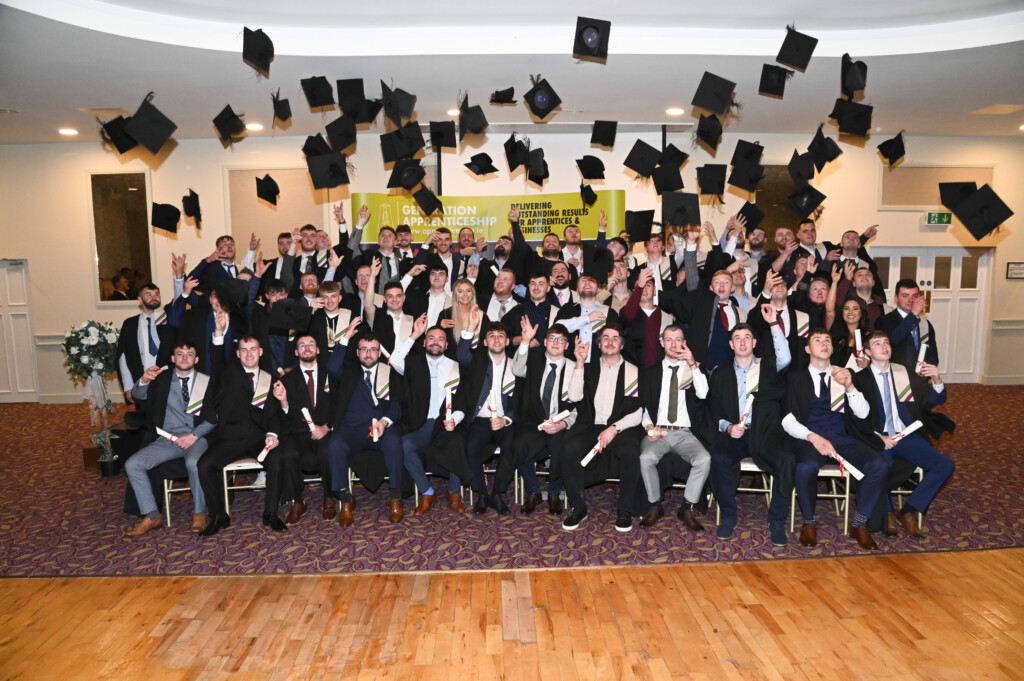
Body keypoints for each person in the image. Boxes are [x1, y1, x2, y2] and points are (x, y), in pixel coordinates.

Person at [781, 330, 889, 551]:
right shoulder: (795, 378)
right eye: (817, 341)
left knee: (879, 464)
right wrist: (812, 437)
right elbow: (786, 419)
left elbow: (863, 414)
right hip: (809, 438)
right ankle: (809, 522)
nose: (824, 344)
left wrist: (850, 386)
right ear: (808, 349)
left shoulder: (844, 374)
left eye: (828, 340)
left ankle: (859, 524)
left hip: (841, 437)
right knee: (806, 467)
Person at [854, 331, 955, 538]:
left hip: (905, 435)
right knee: (881, 468)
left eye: (886, 342)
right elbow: (855, 419)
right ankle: (888, 513)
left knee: (945, 465)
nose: (884, 346)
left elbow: (933, 401)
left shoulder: (903, 373)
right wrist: (877, 437)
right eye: (877, 343)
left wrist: (936, 379)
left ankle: (908, 511)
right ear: (867, 352)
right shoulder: (859, 379)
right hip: (878, 438)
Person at [707, 312, 793, 546]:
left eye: (747, 337)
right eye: (737, 338)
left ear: (754, 343)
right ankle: (729, 515)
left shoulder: (768, 366)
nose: (742, 342)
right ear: (731, 344)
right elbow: (714, 409)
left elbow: (785, 356)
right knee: (718, 458)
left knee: (786, 459)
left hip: (765, 432)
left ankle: (776, 521)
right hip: (737, 433)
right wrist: (727, 427)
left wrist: (774, 323)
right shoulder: (721, 373)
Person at [123, 342, 218, 536]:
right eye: (180, 354)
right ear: (173, 359)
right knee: (133, 464)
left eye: (189, 354)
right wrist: (143, 380)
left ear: (196, 359)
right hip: (168, 439)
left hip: (195, 438)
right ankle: (152, 514)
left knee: (194, 462)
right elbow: (138, 395)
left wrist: (194, 435)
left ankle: (199, 512)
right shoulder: (161, 380)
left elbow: (215, 418)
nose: (184, 358)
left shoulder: (206, 382)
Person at [491, 321, 584, 514]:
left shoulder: (575, 367)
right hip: (533, 420)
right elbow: (517, 370)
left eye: (561, 340)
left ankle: (553, 493)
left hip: (560, 422)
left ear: (567, 346)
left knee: (562, 446)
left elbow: (577, 404)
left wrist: (562, 424)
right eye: (552, 338)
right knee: (519, 441)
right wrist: (524, 341)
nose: (556, 343)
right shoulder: (534, 360)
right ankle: (533, 491)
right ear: (544, 341)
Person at [559, 324, 644, 532]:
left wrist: (614, 428)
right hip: (590, 424)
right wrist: (579, 362)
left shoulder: (633, 372)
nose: (610, 341)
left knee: (631, 450)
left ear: (622, 345)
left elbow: (637, 413)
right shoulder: (587, 368)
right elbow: (575, 397)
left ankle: (625, 509)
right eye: (605, 338)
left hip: (621, 428)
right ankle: (578, 507)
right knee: (568, 446)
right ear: (599, 344)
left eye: (615, 338)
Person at [197, 336, 285, 536]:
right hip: (230, 439)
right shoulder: (228, 374)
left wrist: (272, 434)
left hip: (257, 439)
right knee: (204, 465)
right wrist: (219, 334)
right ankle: (219, 515)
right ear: (237, 354)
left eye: (253, 349)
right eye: (243, 350)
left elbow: (273, 415)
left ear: (261, 352)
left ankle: (270, 513)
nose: (249, 354)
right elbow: (217, 360)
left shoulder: (269, 379)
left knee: (277, 459)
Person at [390, 317, 471, 514]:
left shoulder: (455, 366)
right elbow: (394, 360)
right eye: (431, 338)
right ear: (424, 343)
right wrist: (415, 334)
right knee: (405, 444)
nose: (436, 342)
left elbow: (461, 402)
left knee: (458, 441)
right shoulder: (412, 363)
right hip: (420, 423)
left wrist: (455, 419)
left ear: (446, 344)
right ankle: (427, 491)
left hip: (445, 423)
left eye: (441, 339)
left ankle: (454, 491)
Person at [636, 325, 711, 533]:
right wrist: (648, 426)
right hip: (658, 431)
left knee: (704, 459)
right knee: (646, 458)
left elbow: (704, 394)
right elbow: (643, 407)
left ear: (684, 342)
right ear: (662, 343)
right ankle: (655, 504)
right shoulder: (650, 373)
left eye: (678, 340)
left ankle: (686, 508)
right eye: (669, 340)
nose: (674, 344)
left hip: (684, 432)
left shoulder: (693, 369)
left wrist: (693, 363)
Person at [326, 329, 405, 524]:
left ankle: (395, 497)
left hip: (381, 427)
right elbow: (332, 368)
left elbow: (397, 404)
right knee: (335, 445)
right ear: (357, 352)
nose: (368, 354)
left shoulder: (390, 373)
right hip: (351, 430)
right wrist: (345, 339)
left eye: (373, 350)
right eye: (364, 349)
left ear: (379, 353)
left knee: (395, 441)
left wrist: (385, 421)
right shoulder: (347, 371)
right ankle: (345, 500)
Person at [454, 319, 519, 514]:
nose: (496, 340)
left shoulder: (516, 365)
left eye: (501, 336)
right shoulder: (477, 362)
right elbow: (461, 354)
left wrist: (505, 419)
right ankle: (481, 493)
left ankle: (498, 493)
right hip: (481, 420)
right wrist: (470, 329)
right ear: (485, 342)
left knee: (511, 445)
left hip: (505, 421)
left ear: (507, 341)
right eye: (491, 336)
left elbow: (523, 401)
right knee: (470, 446)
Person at [271, 333, 337, 522]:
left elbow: (339, 406)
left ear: (317, 350)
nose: (307, 348)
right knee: (288, 452)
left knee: (328, 451)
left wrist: (326, 427)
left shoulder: (330, 375)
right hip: (298, 432)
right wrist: (283, 402)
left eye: (311, 345)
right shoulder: (287, 380)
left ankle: (329, 497)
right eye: (302, 346)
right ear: (296, 351)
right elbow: (284, 417)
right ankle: (297, 501)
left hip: (324, 431)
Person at [662, 268, 748, 373]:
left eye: (726, 282)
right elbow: (693, 283)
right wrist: (690, 252)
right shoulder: (700, 307)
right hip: (702, 368)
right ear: (711, 288)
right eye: (717, 282)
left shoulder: (741, 313)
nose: (721, 285)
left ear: (733, 288)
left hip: (728, 371)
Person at [116, 282, 174, 402]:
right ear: (140, 299)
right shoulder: (130, 324)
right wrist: (128, 388)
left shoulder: (168, 319)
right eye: (148, 295)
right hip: (140, 380)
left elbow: (179, 301)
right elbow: (123, 357)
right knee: (144, 418)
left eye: (157, 294)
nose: (154, 298)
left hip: (166, 381)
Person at [877, 279, 939, 372]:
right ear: (896, 298)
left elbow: (933, 354)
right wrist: (913, 315)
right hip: (896, 374)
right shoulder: (884, 320)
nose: (910, 300)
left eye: (915, 296)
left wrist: (926, 369)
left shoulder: (925, 324)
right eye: (905, 296)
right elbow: (893, 340)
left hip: (921, 376)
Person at [621, 267, 677, 369]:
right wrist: (640, 285)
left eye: (648, 285)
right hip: (632, 373)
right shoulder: (627, 312)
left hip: (658, 374)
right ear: (635, 292)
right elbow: (628, 316)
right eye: (640, 286)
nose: (644, 289)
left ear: (655, 290)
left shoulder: (667, 318)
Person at [364, 260, 414, 354]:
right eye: (390, 296)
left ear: (404, 298)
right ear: (384, 299)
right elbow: (367, 305)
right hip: (383, 367)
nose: (394, 300)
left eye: (398, 296)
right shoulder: (377, 316)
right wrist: (372, 277)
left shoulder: (413, 321)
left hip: (405, 367)